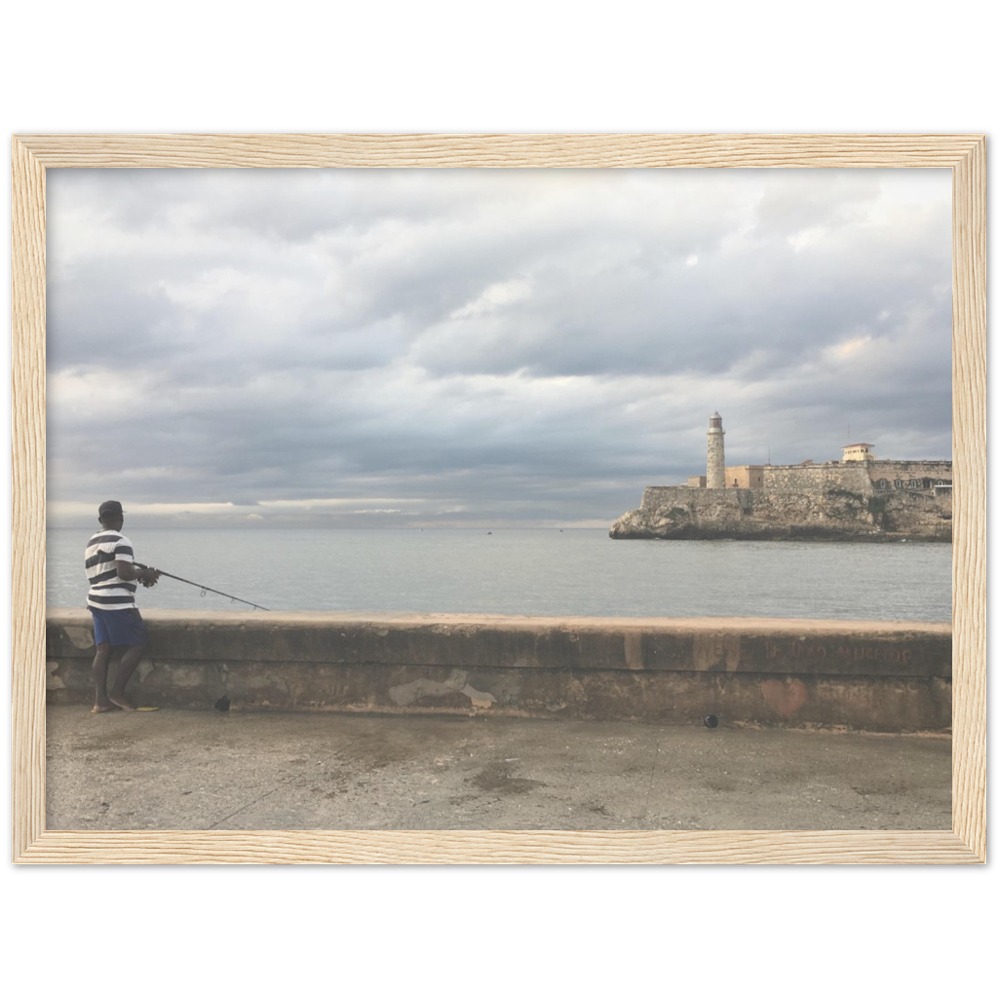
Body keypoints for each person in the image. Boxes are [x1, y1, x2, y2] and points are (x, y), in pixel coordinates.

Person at [84, 501, 161, 712]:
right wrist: (144, 573)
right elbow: (124, 573)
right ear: (121, 518)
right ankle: (117, 693)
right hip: (116, 604)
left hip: (96, 602)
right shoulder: (121, 541)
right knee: (138, 644)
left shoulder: (92, 541)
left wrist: (139, 574)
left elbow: (108, 572)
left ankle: (100, 701)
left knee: (103, 649)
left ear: (101, 520)